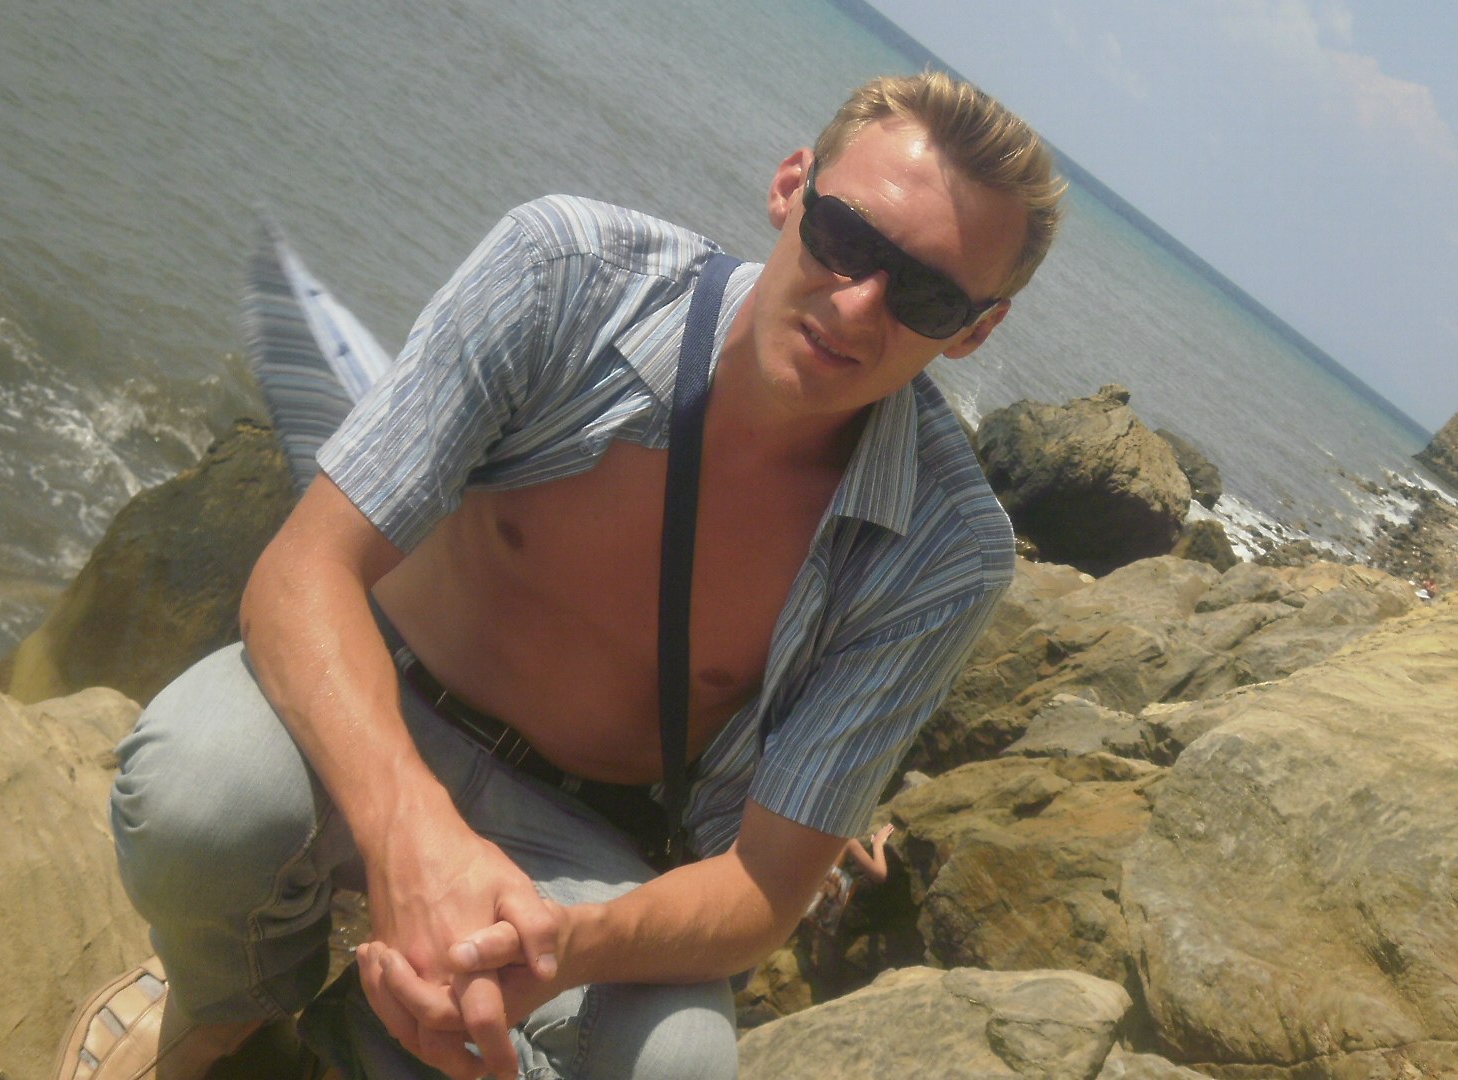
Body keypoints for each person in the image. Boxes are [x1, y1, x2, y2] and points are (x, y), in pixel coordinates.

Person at [65, 71, 1064, 1080]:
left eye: (927, 295)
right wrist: (413, 837)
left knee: (678, 1064)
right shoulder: (569, 273)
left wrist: (555, 948)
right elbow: (301, 574)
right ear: (790, 188)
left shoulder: (946, 551)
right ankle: (224, 1017)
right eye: (845, 237)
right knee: (201, 797)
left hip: (588, 840)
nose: (855, 304)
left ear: (976, 328)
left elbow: (767, 882)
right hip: (381, 699)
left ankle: (352, 1048)